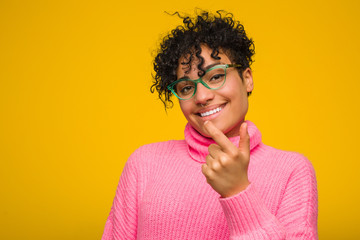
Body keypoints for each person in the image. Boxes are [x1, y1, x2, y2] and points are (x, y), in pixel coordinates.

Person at [101, 10, 318, 239]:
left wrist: (238, 191)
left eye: (215, 76)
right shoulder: (143, 163)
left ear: (247, 79)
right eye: (186, 88)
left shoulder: (293, 171)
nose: (202, 97)